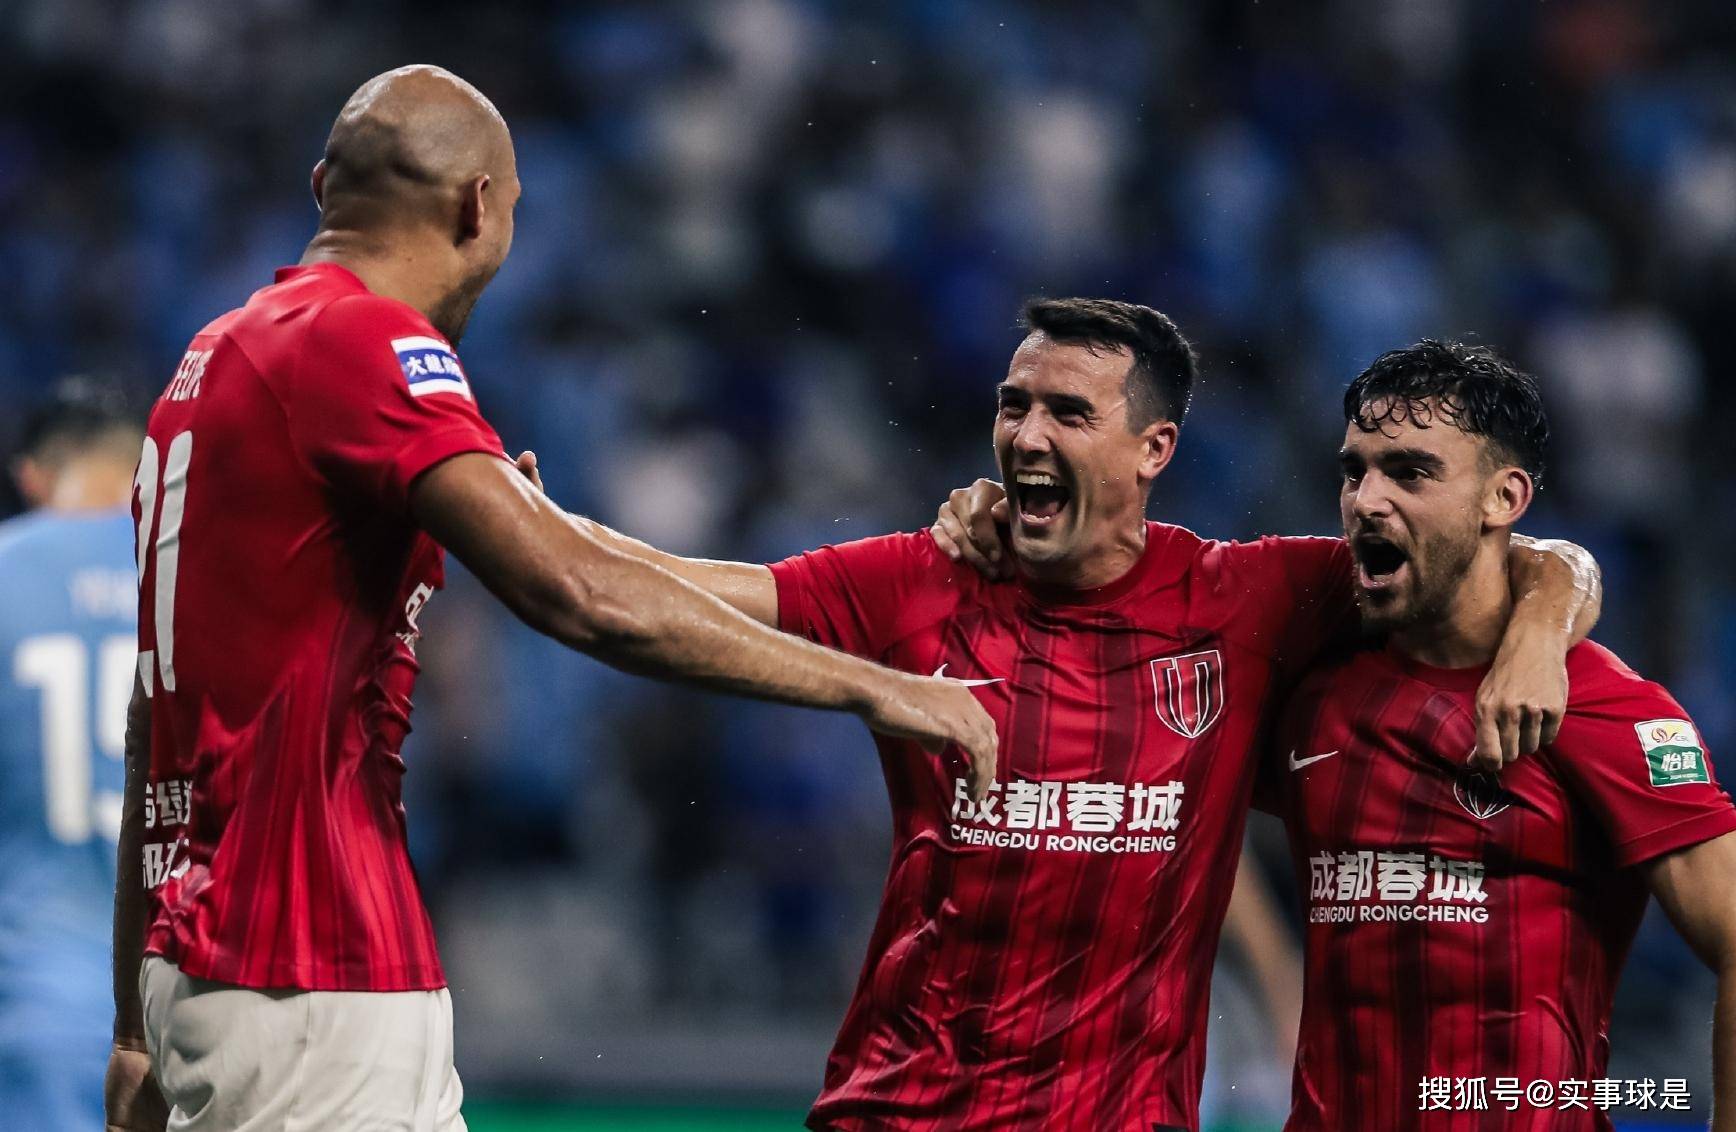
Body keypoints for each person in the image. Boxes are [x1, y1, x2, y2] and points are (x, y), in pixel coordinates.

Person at [104, 65, 997, 1132]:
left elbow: (153, 718)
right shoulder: (363, 342)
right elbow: (579, 595)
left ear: (322, 188)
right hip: (311, 971)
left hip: (216, 958)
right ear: (478, 207)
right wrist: (879, 689)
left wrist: (131, 1022)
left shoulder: (211, 363)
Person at [580, 298, 1598, 1130]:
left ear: (1153, 447)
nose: (1026, 434)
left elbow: (1507, 558)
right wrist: (526, 520)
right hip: (899, 1112)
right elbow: (667, 588)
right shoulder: (926, 577)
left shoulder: (1246, 599)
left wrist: (1539, 631)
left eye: (1067, 412)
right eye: (1013, 405)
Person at [1262, 341, 1736, 1131]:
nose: (1367, 500)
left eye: (1410, 472)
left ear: (1503, 496)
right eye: (1354, 472)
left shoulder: (1603, 707)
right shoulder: (1310, 685)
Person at [0, 378, 144, 1130]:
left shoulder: (7, 572)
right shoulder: (209, 574)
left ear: (31, 478)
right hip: (200, 1008)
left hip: (38, 1005)